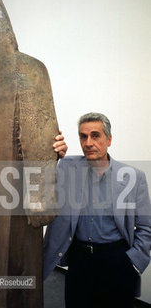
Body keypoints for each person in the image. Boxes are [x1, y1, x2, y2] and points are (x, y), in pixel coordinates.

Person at [45, 112, 151, 308]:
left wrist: (134, 264)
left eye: (95, 135)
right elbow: (42, 178)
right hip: (79, 261)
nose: (88, 142)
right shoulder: (67, 167)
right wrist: (53, 151)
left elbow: (147, 227)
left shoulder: (133, 177)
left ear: (109, 139)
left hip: (117, 260)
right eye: (83, 136)